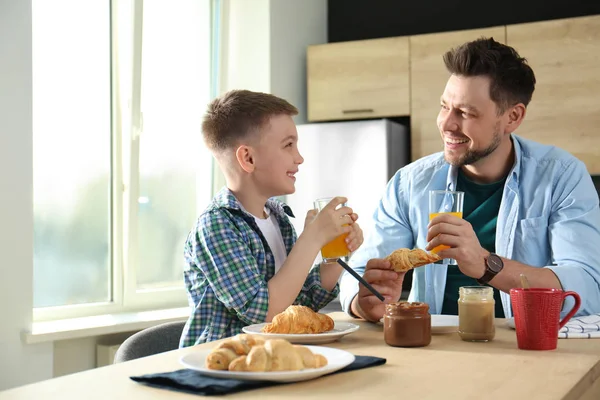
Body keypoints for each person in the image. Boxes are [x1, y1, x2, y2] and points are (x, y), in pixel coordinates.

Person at [339, 37, 600, 323]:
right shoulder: (409, 183)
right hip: (432, 346)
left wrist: (486, 265)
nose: (447, 124)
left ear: (513, 117)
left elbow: (587, 288)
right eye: (444, 106)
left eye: (465, 113)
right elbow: (359, 273)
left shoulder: (562, 177)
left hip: (523, 347)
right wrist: (364, 303)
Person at [180, 89, 364, 345]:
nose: (299, 158)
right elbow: (264, 313)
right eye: (288, 145)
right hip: (223, 367)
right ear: (248, 157)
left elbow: (300, 302)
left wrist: (333, 252)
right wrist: (311, 240)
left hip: (276, 360)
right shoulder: (216, 226)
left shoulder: (279, 220)